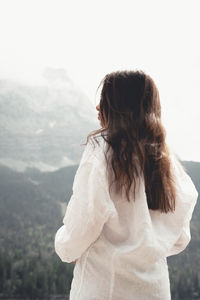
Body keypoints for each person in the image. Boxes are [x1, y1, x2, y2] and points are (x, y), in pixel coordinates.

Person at [54, 69, 198, 300]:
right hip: (155, 290)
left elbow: (83, 225)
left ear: (114, 107)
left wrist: (65, 246)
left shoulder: (102, 151)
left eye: (104, 100)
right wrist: (144, 250)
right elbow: (180, 238)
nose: (98, 107)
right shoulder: (167, 162)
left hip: (104, 288)